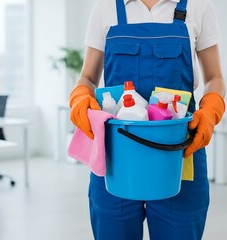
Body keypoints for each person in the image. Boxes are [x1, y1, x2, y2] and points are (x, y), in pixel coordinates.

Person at [69, 0, 226, 239]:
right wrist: (80, 96)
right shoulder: (106, 7)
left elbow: (214, 77)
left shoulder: (198, 5)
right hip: (116, 154)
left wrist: (211, 109)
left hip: (179, 153)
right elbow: (88, 77)